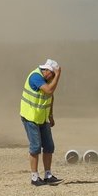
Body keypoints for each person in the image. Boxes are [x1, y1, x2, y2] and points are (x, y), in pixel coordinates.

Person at [21, 58, 62, 186]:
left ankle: (48, 175)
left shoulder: (46, 80)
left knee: (49, 146)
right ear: (47, 71)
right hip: (30, 117)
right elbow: (49, 91)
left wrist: (50, 115)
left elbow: (51, 96)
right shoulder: (36, 77)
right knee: (35, 147)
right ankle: (34, 177)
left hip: (42, 118)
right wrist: (58, 75)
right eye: (53, 75)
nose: (53, 78)